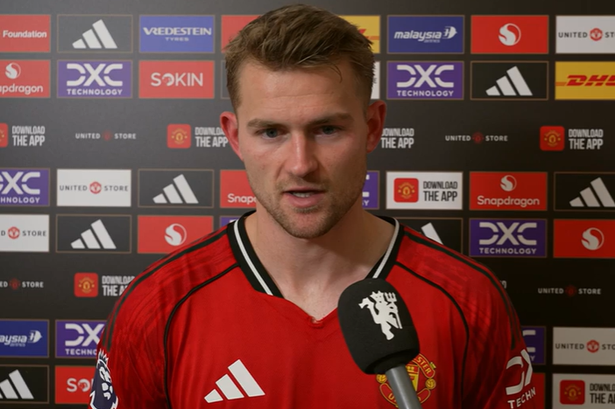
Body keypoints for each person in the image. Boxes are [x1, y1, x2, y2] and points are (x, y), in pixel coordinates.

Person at [90, 4, 538, 409]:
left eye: (327, 129)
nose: (301, 164)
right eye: (271, 132)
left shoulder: (468, 299)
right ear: (235, 136)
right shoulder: (157, 306)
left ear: (372, 127)